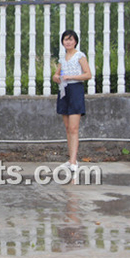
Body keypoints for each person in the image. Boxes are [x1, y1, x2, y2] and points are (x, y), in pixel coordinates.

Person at [52, 30, 92, 173]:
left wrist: (71, 77)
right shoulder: (62, 59)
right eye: (65, 39)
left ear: (75, 41)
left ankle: (74, 161)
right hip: (64, 91)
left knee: (74, 128)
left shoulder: (80, 56)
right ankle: (70, 159)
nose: (68, 42)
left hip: (75, 90)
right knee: (68, 127)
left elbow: (88, 74)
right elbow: (57, 74)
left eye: (70, 39)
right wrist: (56, 77)